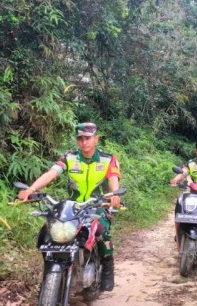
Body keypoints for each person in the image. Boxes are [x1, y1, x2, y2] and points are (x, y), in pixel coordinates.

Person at [17, 122, 122, 291]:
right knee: (47, 232)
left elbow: (113, 179)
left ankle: (107, 268)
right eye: (80, 138)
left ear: (96, 139)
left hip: (97, 205)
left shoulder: (108, 159)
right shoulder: (69, 157)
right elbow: (51, 173)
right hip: (73, 206)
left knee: (102, 231)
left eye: (87, 138)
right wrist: (31, 189)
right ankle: (51, 271)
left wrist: (115, 195)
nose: (84, 142)